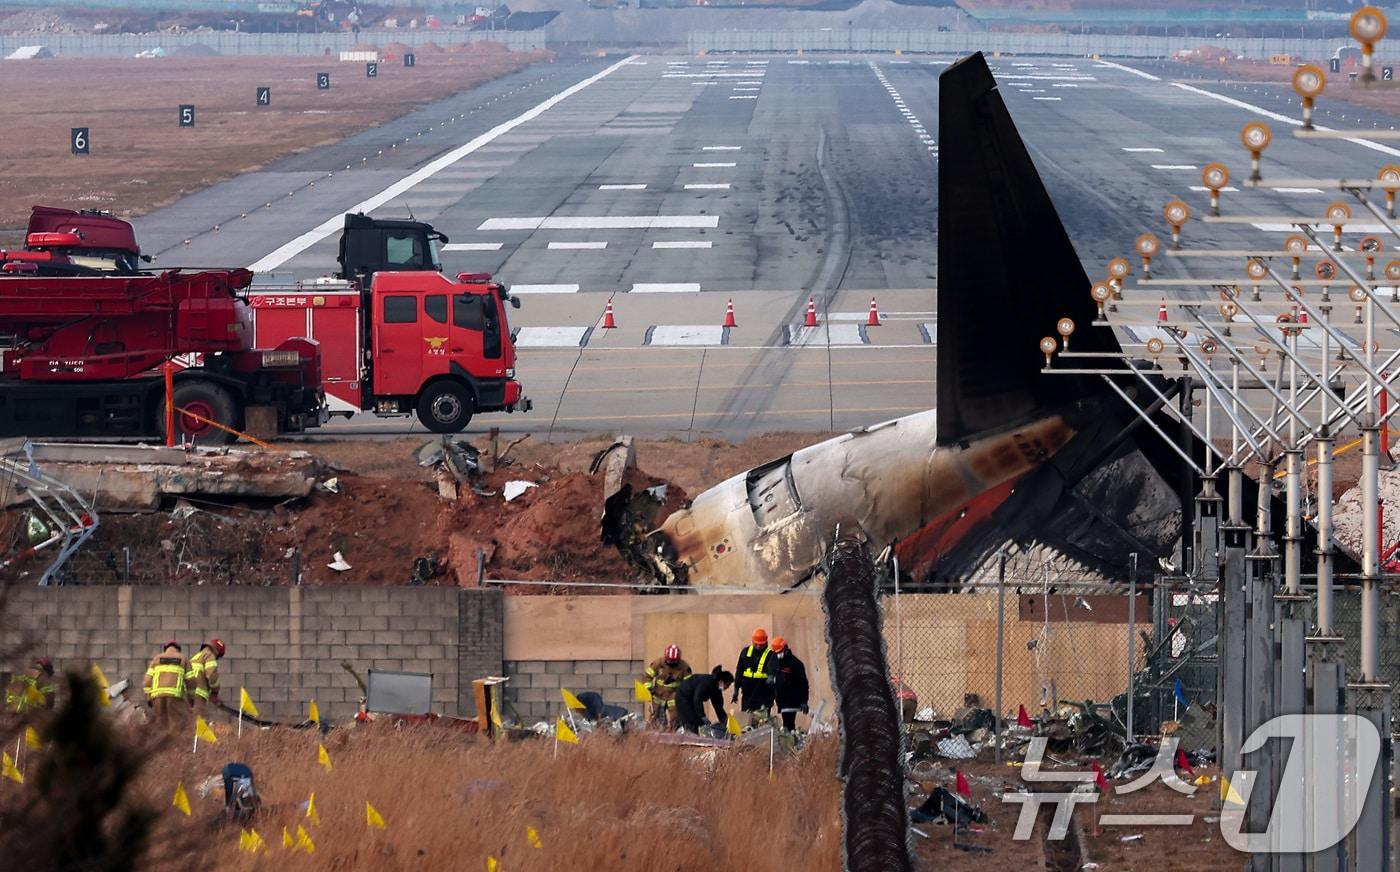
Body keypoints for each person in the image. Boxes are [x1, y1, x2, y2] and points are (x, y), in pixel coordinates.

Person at [143, 640, 191, 733]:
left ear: (165, 649)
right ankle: (174, 745)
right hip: (174, 696)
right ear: (178, 649)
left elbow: (147, 681)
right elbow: (190, 680)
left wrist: (149, 697)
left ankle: (160, 746)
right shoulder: (183, 659)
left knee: (160, 724)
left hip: (157, 697)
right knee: (175, 723)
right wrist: (191, 697)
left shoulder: (157, 659)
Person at [642, 644, 692, 728]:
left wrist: (685, 696)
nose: (671, 664)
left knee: (675, 719)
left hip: (674, 696)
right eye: (669, 661)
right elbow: (647, 676)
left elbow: (689, 683)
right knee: (655, 719)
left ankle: (674, 736)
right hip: (658, 694)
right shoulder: (658, 663)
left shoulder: (684, 666)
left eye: (673, 662)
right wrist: (648, 688)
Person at [675, 666, 734, 734]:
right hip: (683, 696)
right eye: (727, 685)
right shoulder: (707, 682)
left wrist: (725, 721)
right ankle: (685, 736)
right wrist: (703, 716)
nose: (727, 688)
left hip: (692, 700)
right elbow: (697, 699)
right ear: (721, 681)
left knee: (700, 723)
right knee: (691, 722)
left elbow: (718, 707)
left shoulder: (716, 690)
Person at [733, 627, 775, 722]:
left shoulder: (771, 655)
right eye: (756, 644)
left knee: (761, 722)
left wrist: (771, 677)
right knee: (745, 723)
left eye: (761, 644)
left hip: (764, 696)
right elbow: (739, 671)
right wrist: (736, 690)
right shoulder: (745, 652)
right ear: (752, 641)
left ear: (765, 642)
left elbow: (773, 669)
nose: (758, 646)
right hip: (747, 696)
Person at [770, 637, 809, 732]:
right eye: (776, 653)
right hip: (781, 699)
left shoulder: (795, 664)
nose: (778, 654)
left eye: (780, 652)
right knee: (786, 725)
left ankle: (790, 742)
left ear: (786, 649)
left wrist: (804, 701)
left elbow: (803, 683)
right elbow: (772, 671)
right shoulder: (774, 660)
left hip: (792, 699)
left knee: (788, 724)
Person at [187, 638, 224, 713]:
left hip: (189, 694)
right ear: (217, 652)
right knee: (199, 720)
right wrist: (214, 692)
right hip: (199, 694)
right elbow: (211, 675)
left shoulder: (195, 657)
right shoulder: (209, 655)